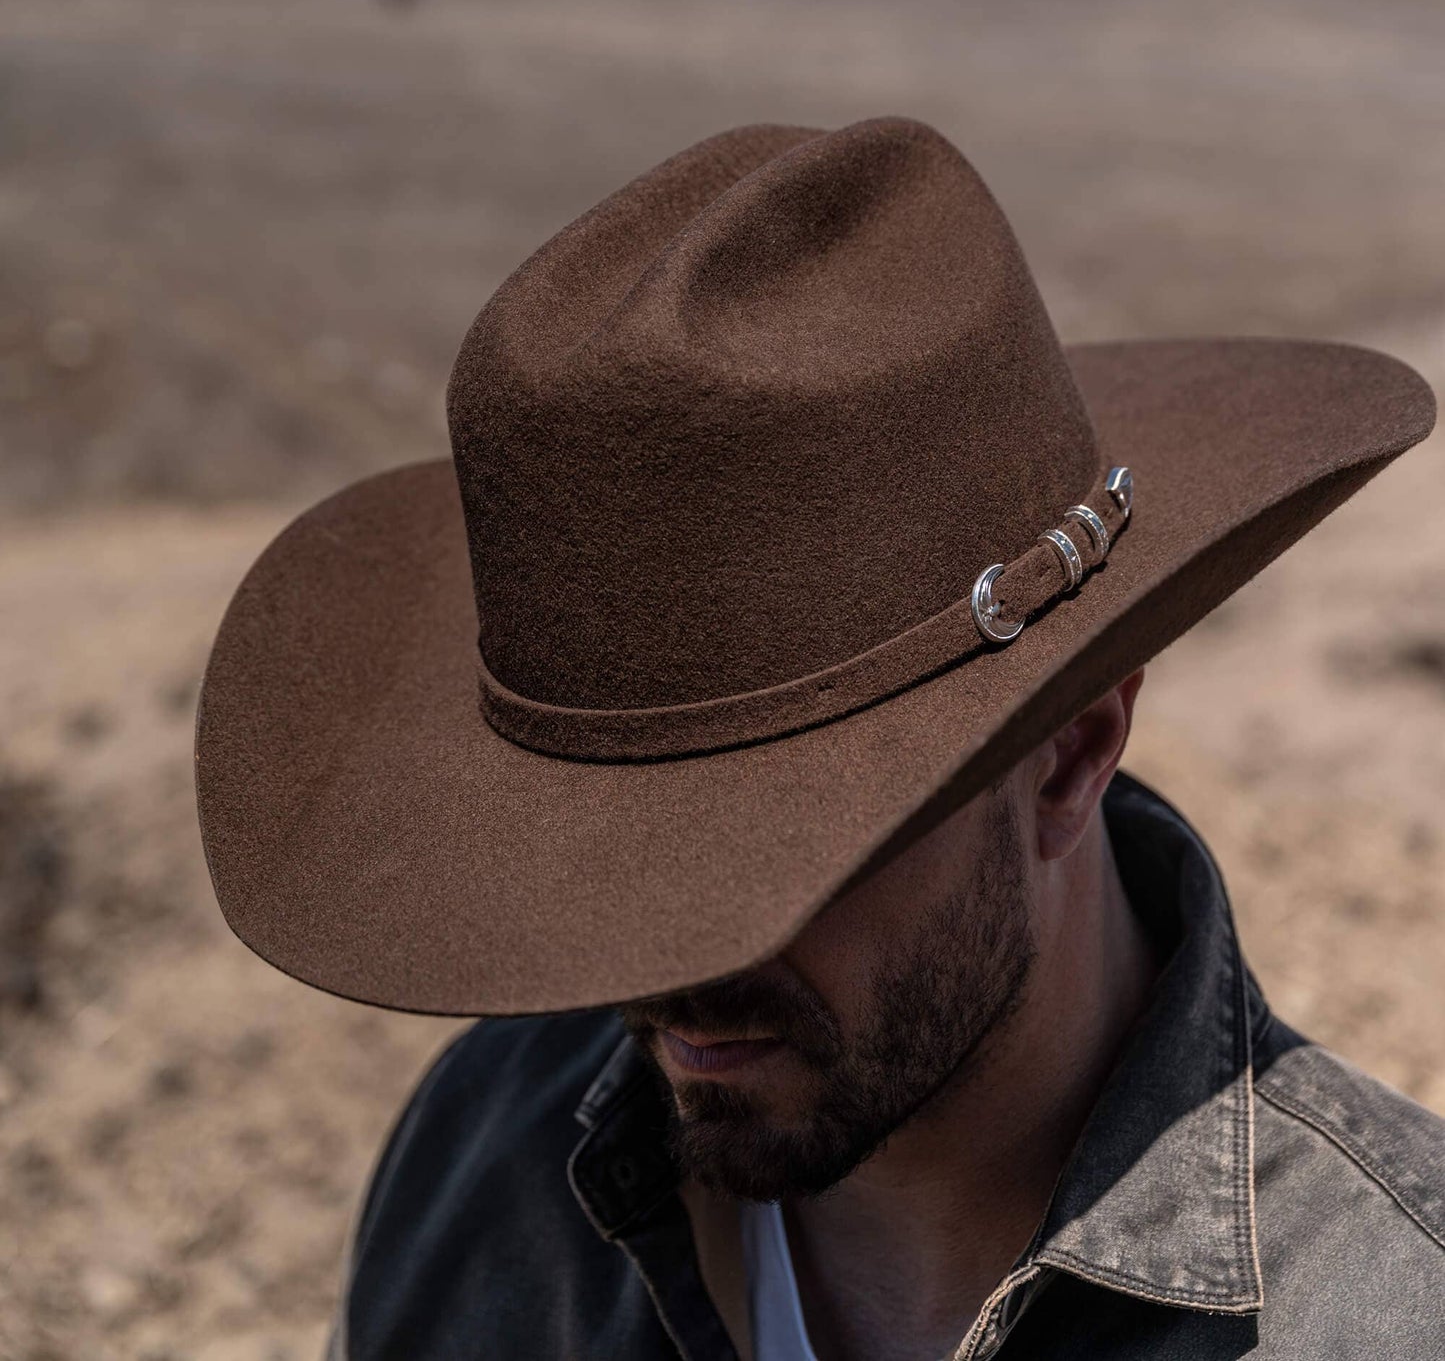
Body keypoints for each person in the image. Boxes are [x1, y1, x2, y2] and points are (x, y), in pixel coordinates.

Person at [194, 117, 1443, 1359]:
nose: (669, 962)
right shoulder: (480, 1163)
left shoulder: (1385, 1309)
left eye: (769, 846)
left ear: (1065, 752)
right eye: (596, 848)